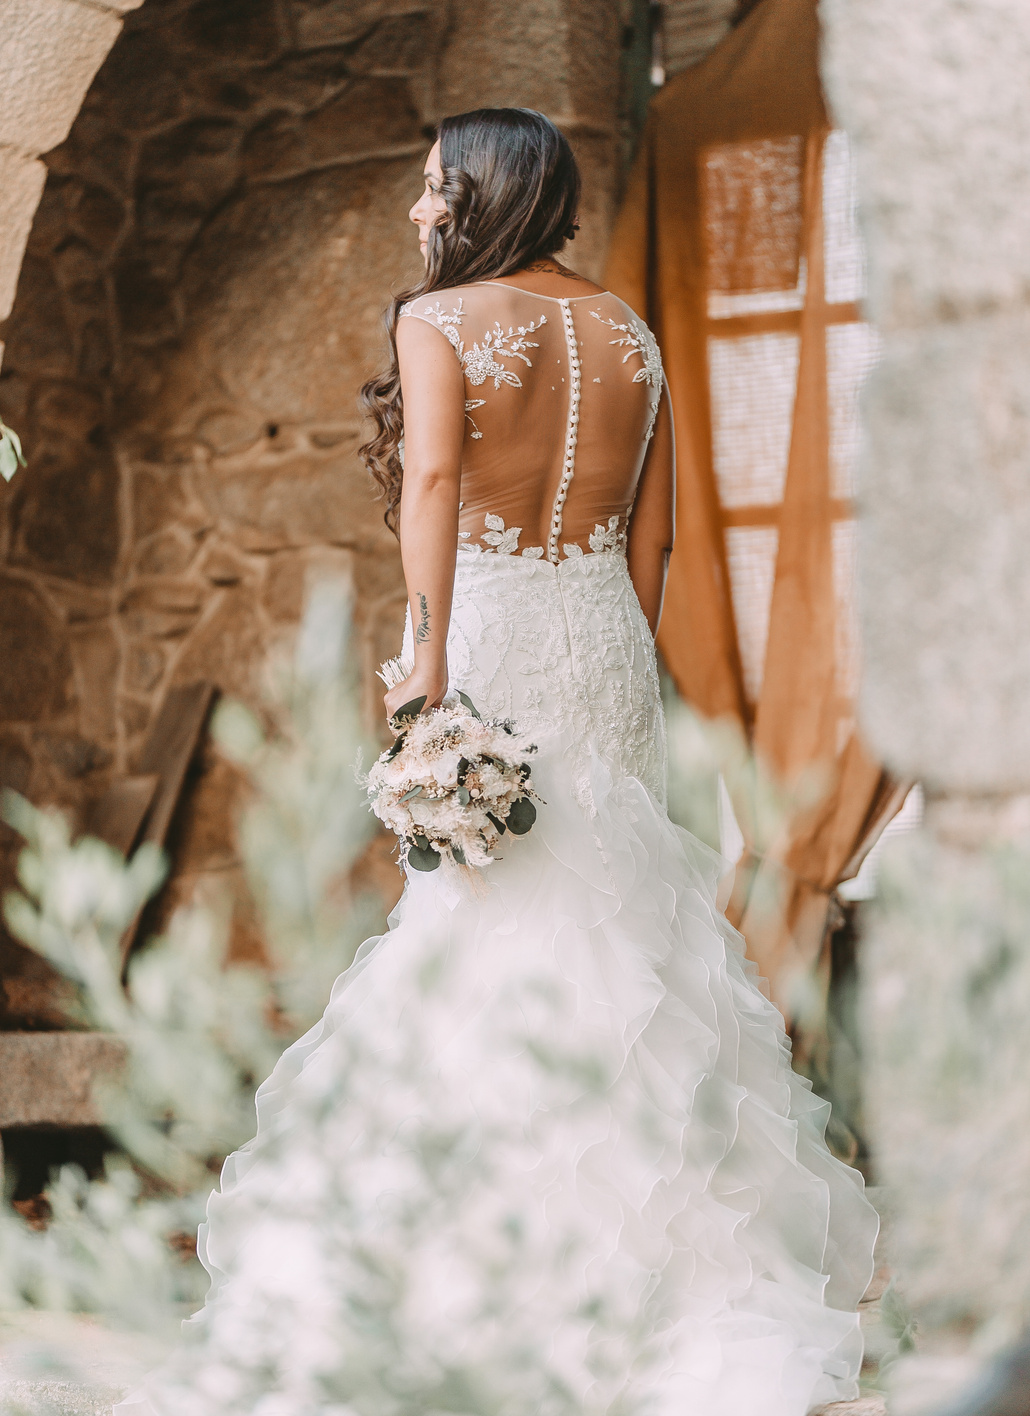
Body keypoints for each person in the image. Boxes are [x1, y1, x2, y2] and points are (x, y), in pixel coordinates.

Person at [117, 108, 877, 1416]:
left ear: (481, 194)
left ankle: (481, 1257)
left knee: (476, 925)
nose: (421, 213)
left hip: (493, 635)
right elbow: (657, 538)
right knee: (622, 918)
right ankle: (657, 1249)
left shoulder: (442, 320)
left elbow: (430, 488)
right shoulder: (630, 331)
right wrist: (617, 646)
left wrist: (422, 659)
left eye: (430, 189)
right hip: (601, 643)